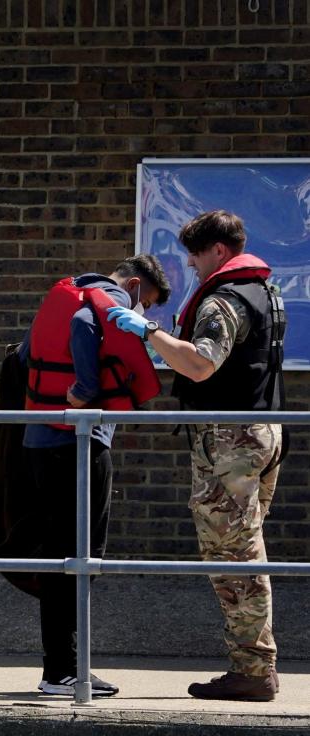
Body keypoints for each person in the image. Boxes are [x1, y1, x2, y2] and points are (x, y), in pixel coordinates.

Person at [108, 211, 286, 702]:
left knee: (233, 557)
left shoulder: (224, 299)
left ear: (219, 252)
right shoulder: (264, 292)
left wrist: (147, 331)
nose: (190, 263)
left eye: (195, 254)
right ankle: (255, 664)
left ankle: (252, 671)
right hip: (264, 433)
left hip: (230, 443)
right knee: (246, 550)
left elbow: (201, 364)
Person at [20, 255, 170, 697]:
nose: (143, 312)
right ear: (138, 287)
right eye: (150, 304)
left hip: (41, 443)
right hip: (79, 445)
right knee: (82, 557)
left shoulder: (65, 291)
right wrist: (85, 389)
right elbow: (86, 326)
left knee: (60, 557)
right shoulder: (108, 299)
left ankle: (60, 667)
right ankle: (65, 672)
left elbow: (27, 351)